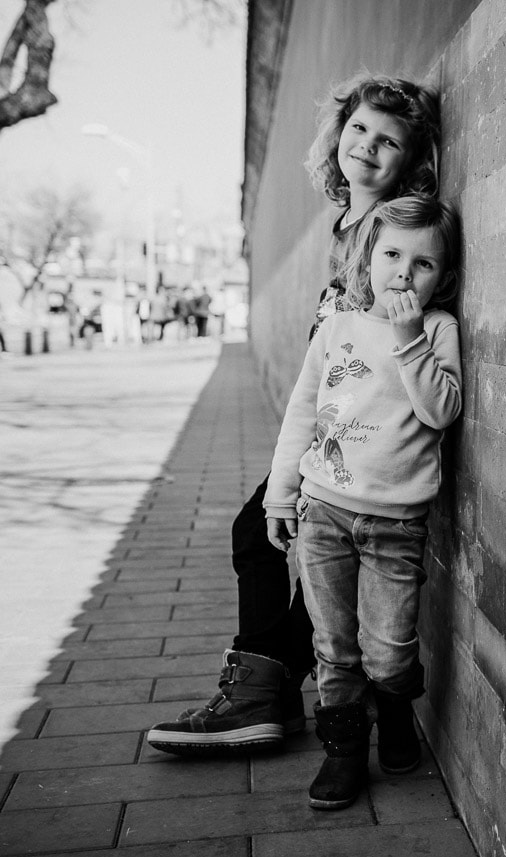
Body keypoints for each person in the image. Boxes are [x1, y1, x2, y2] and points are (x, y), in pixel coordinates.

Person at [146, 72, 441, 755]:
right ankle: (266, 684)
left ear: (410, 160)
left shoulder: (392, 227)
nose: (366, 145)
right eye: (358, 129)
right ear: (338, 134)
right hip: (335, 421)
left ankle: (262, 689)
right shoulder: (349, 223)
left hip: (365, 435)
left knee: (284, 537)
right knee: (271, 531)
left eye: (387, 140)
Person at [264, 194, 462, 810]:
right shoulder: (338, 327)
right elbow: (303, 409)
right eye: (393, 254)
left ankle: (396, 708)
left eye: (423, 264)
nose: (404, 271)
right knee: (335, 645)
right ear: (368, 257)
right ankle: (344, 751)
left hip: (396, 523)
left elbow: (442, 410)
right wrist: (281, 493)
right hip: (322, 511)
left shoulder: (437, 330)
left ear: (444, 276)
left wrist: (409, 339)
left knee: (389, 649)